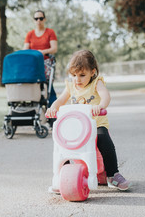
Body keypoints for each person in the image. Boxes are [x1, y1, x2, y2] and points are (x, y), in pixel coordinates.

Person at [46, 50, 131, 191]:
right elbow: (60, 100)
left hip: (96, 123)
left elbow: (106, 96)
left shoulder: (96, 83)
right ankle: (62, 176)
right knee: (62, 144)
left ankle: (113, 174)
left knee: (104, 139)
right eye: (74, 75)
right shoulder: (71, 86)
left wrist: (100, 106)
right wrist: (52, 108)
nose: (77, 79)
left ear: (93, 72)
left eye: (82, 75)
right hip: (77, 127)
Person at [23, 10, 58, 107]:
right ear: (34, 20)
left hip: (46, 61)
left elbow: (54, 48)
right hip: (33, 63)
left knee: (47, 85)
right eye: (36, 18)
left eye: (41, 18)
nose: (38, 20)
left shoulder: (50, 32)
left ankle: (53, 108)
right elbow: (25, 49)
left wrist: (42, 52)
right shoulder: (30, 34)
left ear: (44, 19)